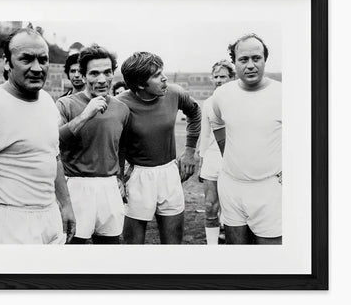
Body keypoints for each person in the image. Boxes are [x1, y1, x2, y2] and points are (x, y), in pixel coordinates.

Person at [0, 26, 76, 244]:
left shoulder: (47, 101)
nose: (37, 68)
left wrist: (66, 205)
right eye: (26, 59)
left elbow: (53, 156)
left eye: (43, 60)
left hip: (49, 217)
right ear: (7, 62)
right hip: (9, 224)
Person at [118, 52, 201, 244]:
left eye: (162, 72)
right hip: (138, 175)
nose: (164, 78)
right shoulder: (120, 104)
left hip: (169, 172)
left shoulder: (175, 93)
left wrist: (190, 151)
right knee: (133, 246)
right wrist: (118, 176)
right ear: (140, 84)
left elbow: (195, 113)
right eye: (156, 75)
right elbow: (115, 144)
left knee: (172, 245)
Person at [208, 33, 282, 244]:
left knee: (270, 257)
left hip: (269, 188)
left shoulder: (283, 94)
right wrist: (229, 158)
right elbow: (217, 123)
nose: (250, 65)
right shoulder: (222, 95)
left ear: (265, 59)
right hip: (231, 187)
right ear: (235, 62)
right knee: (237, 254)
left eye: (256, 58)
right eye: (243, 59)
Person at [57, 45, 130, 244]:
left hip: (109, 186)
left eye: (107, 72)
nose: (102, 79)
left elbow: (121, 146)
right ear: (83, 75)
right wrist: (85, 115)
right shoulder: (65, 104)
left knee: (109, 247)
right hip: (77, 185)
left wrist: (120, 177)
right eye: (94, 73)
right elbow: (55, 141)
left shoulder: (122, 109)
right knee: (74, 247)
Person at [198, 59, 235, 244]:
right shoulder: (208, 103)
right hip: (212, 158)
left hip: (235, 159)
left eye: (223, 76)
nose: (219, 80)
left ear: (232, 78)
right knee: (210, 206)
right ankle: (212, 246)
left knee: (233, 208)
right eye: (216, 76)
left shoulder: (241, 100)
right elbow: (205, 135)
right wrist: (202, 160)